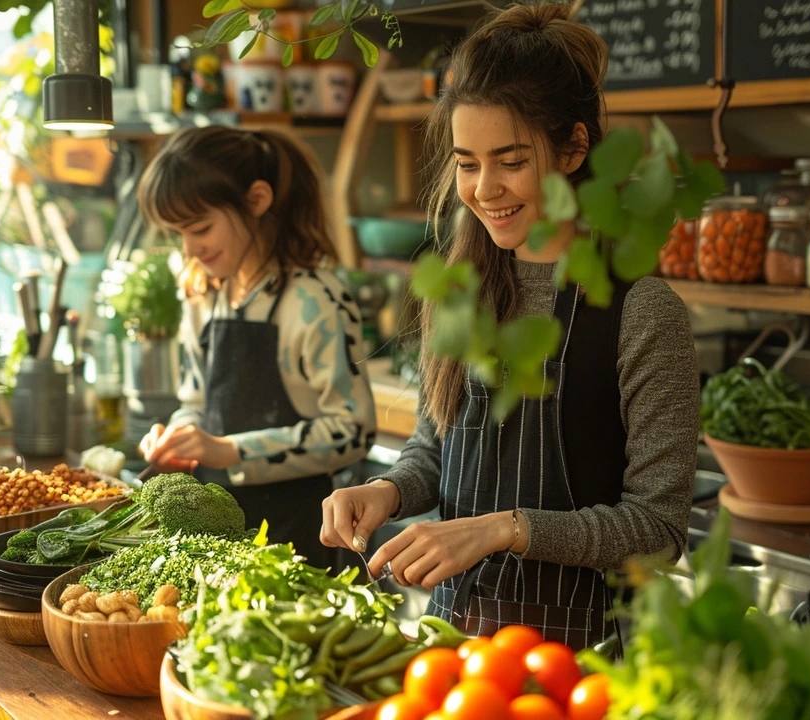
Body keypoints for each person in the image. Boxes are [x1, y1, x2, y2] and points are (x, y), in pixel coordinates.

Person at [319, 3, 698, 650]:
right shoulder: (461, 289)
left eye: (512, 160)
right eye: (468, 163)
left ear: (575, 147)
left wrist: (504, 528)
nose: (485, 187)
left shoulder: (643, 312)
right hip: (452, 646)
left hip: (583, 662)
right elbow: (436, 451)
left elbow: (658, 531)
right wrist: (386, 491)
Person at [138, 126, 376, 570]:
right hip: (211, 538)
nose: (190, 248)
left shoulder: (315, 301)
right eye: (178, 233)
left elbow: (352, 431)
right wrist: (180, 437)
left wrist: (231, 450)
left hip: (298, 538)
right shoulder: (202, 295)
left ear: (257, 201)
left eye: (201, 228)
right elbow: (195, 401)